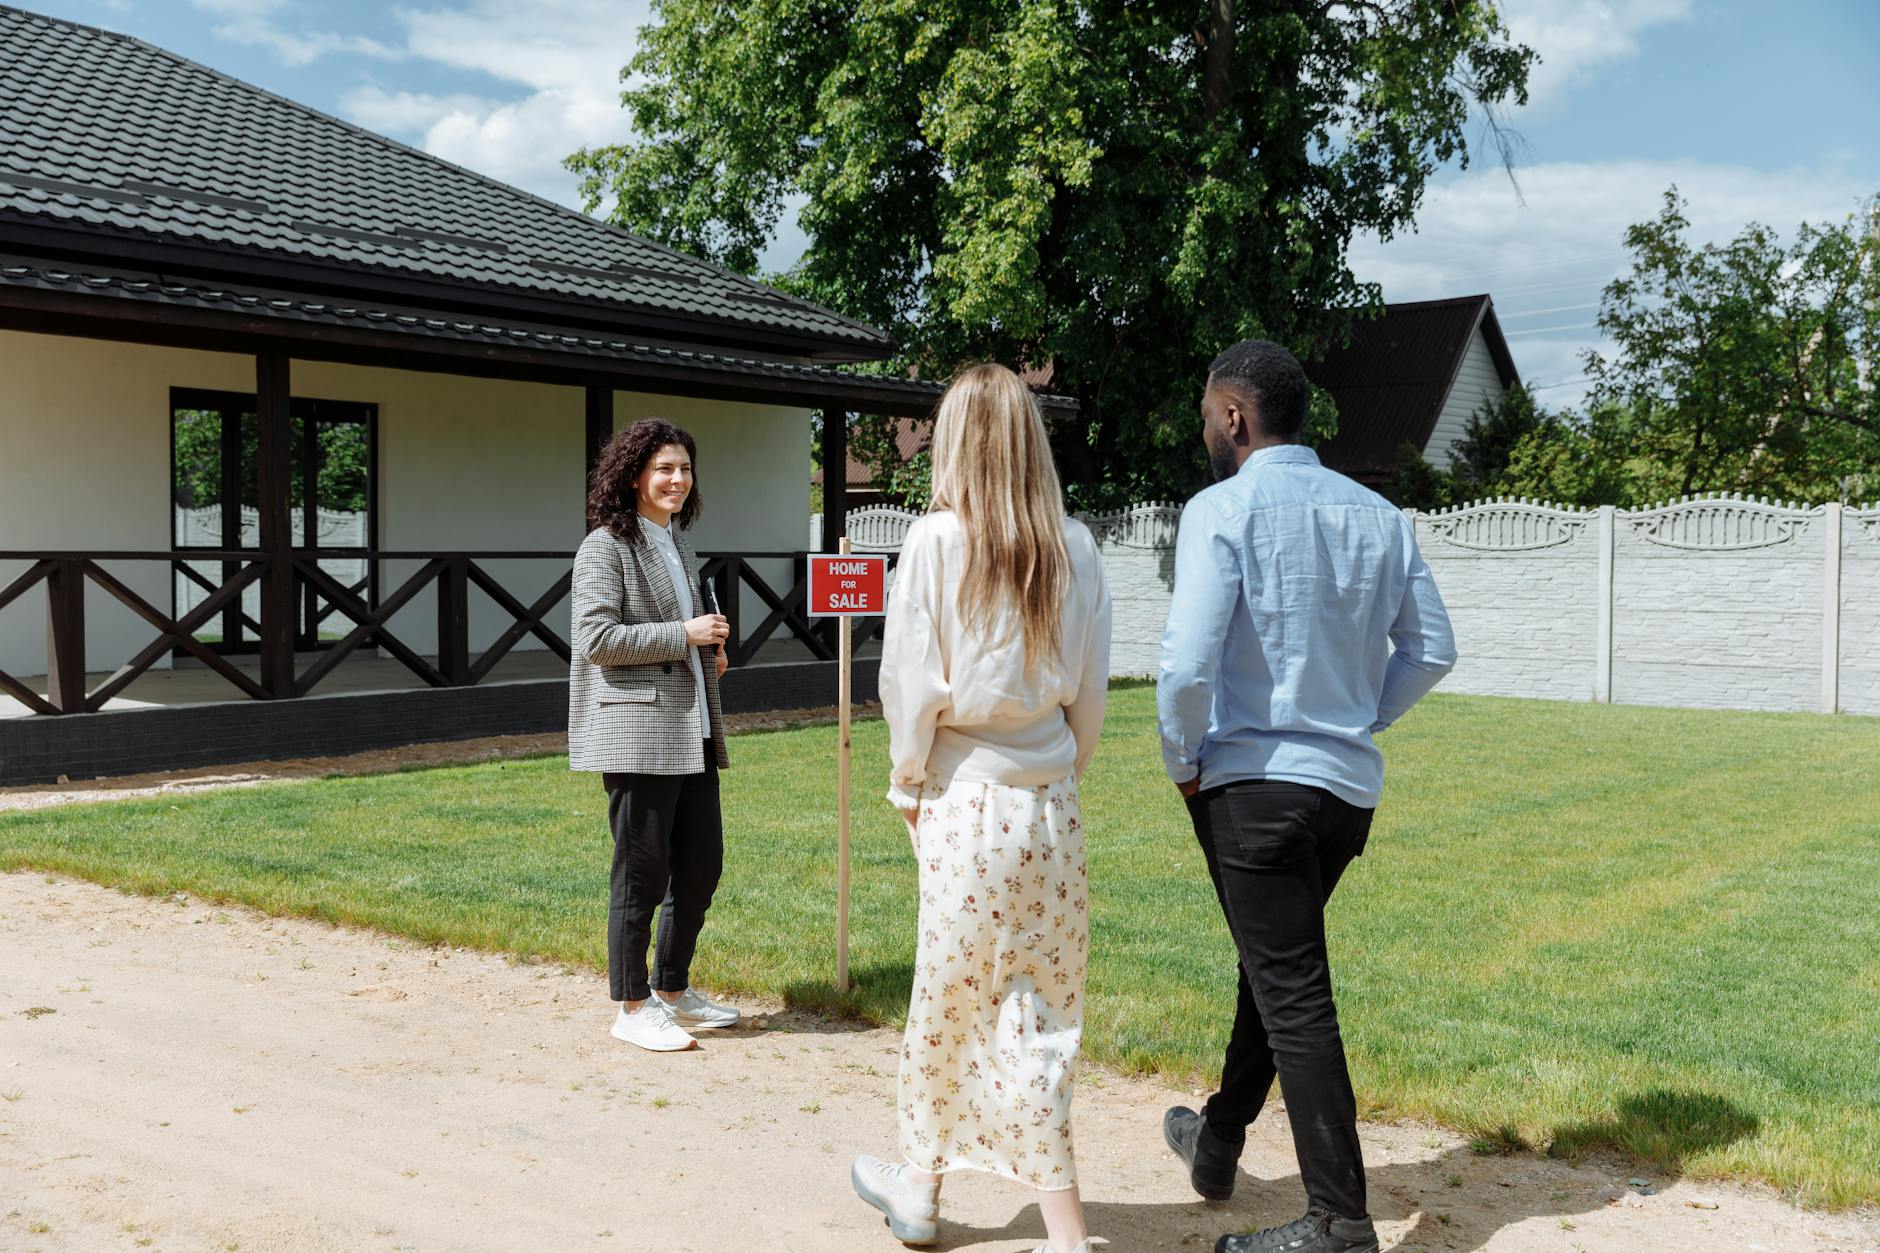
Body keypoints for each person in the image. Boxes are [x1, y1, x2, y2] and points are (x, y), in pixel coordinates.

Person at [1157, 340, 1457, 1253]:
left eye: (1210, 413)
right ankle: (1217, 1140)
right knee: (1274, 962)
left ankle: (1339, 1217)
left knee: (1293, 989)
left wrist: (1183, 760)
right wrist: (1358, 717)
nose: (1206, 428)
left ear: (1236, 417)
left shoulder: (1221, 507)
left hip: (1251, 789)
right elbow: (1434, 647)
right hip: (1345, 794)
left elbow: (1184, 667)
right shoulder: (1379, 514)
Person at [850, 364, 1112, 1253]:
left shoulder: (935, 541)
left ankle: (924, 1188)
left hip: (965, 799)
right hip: (1051, 805)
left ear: (957, 440)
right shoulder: (1074, 545)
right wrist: (1052, 766)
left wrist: (907, 784)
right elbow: (1089, 699)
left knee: (949, 1001)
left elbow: (910, 685)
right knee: (1039, 1009)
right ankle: (1051, 1227)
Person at [569, 418, 743, 1053]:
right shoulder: (604, 547)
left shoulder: (679, 546)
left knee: (700, 866)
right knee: (641, 874)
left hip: (689, 729)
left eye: (685, 469)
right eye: (664, 468)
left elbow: (682, 635)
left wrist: (709, 655)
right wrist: (684, 636)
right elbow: (595, 640)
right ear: (634, 474)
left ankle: (672, 989)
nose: (677, 479)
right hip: (635, 734)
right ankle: (632, 1003)